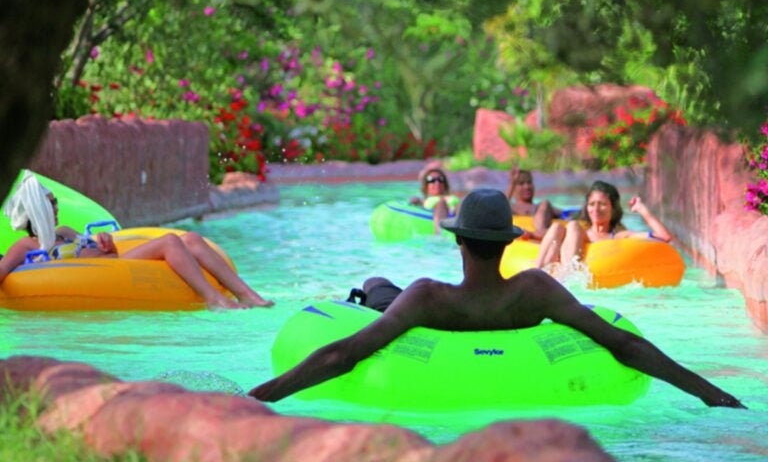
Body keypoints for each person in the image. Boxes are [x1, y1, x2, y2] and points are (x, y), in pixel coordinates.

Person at [248, 188, 744, 408]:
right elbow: (623, 344)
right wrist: (712, 394)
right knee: (386, 290)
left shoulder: (428, 297)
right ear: (509, 243)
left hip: (412, 315)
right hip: (496, 318)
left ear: (458, 242)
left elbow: (344, 353)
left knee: (379, 284)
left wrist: (259, 397)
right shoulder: (535, 292)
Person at [0, 172, 274, 310]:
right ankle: (212, 298)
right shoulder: (26, 246)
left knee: (191, 237)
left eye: (55, 202)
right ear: (35, 211)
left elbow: (104, 252)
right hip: (98, 275)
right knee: (169, 241)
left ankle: (247, 294)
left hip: (114, 265)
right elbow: (3, 270)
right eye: (50, 204)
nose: (57, 207)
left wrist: (106, 243)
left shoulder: (66, 231)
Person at [535, 180, 672, 271]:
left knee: (572, 225)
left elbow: (663, 237)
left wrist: (642, 209)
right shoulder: (574, 232)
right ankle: (537, 273)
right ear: (586, 208)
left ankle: (569, 276)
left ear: (613, 208)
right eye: (592, 204)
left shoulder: (618, 236)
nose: (596, 209)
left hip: (581, 285)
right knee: (561, 226)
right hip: (558, 269)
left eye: (602, 204)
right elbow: (543, 236)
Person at [506, 167, 563, 240]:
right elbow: (499, 207)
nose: (527, 187)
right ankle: (539, 233)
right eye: (521, 183)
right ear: (513, 188)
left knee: (545, 203)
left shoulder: (543, 207)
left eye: (529, 182)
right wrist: (512, 183)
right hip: (522, 238)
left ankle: (539, 232)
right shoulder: (510, 208)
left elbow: (567, 215)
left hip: (540, 234)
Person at [408, 166, 460, 234]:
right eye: (432, 180)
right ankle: (439, 234)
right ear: (426, 186)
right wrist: (415, 201)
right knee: (441, 203)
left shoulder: (452, 197)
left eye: (440, 179)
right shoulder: (425, 200)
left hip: (456, 214)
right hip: (439, 214)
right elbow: (415, 203)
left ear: (445, 184)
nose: (437, 183)